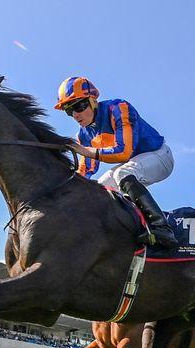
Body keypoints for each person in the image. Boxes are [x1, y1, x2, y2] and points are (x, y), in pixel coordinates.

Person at [55, 76, 178, 248]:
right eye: (69, 111)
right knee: (100, 188)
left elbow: (123, 152)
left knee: (123, 173)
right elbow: (84, 172)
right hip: (136, 163)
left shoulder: (118, 109)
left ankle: (162, 228)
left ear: (93, 100)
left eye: (78, 106)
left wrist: (85, 151)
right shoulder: (83, 135)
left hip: (160, 155)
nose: (76, 114)